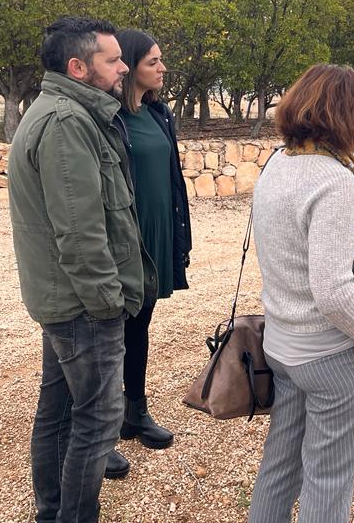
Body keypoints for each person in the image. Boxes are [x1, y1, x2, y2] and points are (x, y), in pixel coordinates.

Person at [8, 16, 155, 522]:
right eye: (112, 60)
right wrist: (108, 304)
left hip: (65, 300)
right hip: (82, 307)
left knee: (59, 412)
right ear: (78, 66)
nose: (122, 68)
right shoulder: (68, 122)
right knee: (95, 420)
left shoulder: (63, 111)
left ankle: (51, 513)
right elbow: (80, 232)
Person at [247, 64, 354, 523]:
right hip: (330, 353)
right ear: (345, 113)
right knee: (329, 481)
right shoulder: (333, 180)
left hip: (282, 345)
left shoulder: (277, 163)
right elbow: (332, 290)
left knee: (279, 468)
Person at [108, 29, 192, 475]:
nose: (162, 68)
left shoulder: (159, 115)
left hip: (157, 236)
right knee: (108, 336)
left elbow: (171, 180)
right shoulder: (110, 118)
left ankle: (134, 411)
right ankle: (100, 427)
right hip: (126, 240)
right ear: (131, 67)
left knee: (139, 327)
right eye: (153, 62)